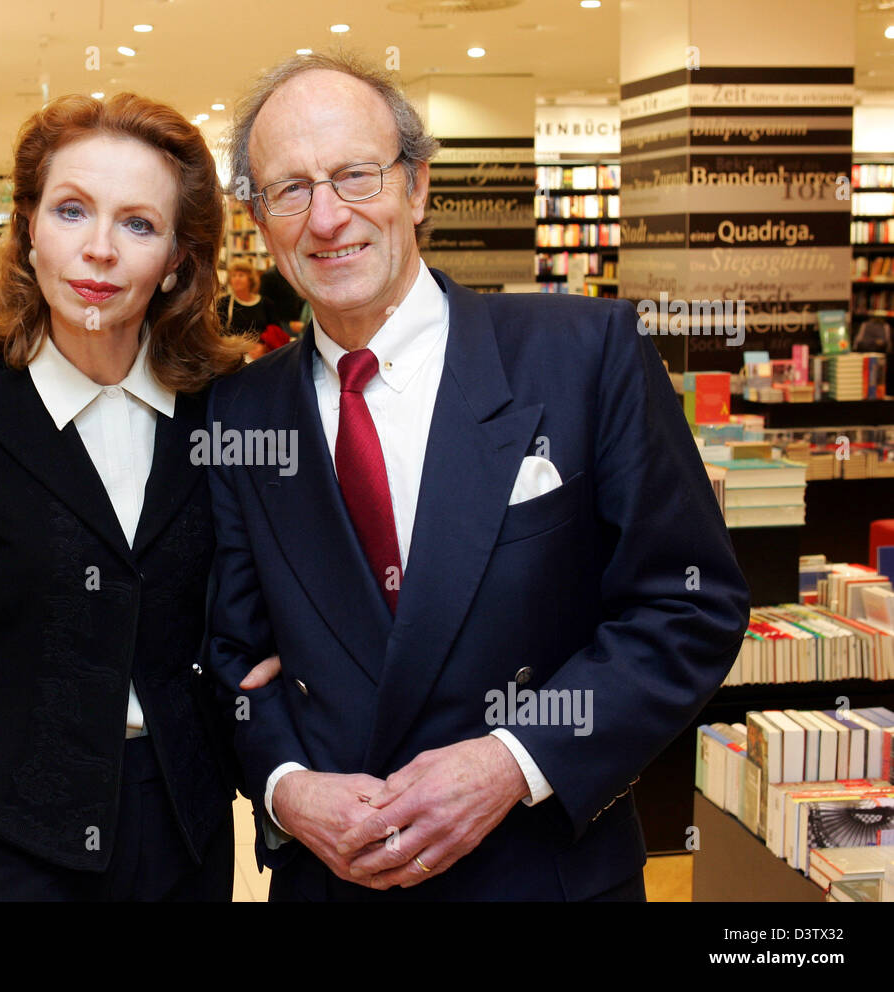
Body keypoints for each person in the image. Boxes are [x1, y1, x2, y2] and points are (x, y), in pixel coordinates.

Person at [205, 51, 751, 902]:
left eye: (356, 175)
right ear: (260, 219)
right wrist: (285, 788)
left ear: (417, 187)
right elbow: (232, 654)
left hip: (542, 870)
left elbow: (688, 603)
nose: (327, 217)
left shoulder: (584, 355)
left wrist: (514, 759)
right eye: (289, 190)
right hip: (335, 880)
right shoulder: (238, 414)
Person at [0, 92, 256, 901]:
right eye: (72, 210)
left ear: (179, 260)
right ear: (27, 229)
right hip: (13, 839)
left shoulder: (224, 414)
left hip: (183, 828)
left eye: (139, 224)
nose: (100, 250)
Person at [218, 260, 289, 358]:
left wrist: (264, 347)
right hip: (233, 356)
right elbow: (218, 333)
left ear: (250, 280)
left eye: (241, 275)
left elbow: (276, 332)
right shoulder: (224, 303)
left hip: (261, 356)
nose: (236, 279)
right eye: (233, 276)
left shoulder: (265, 303)